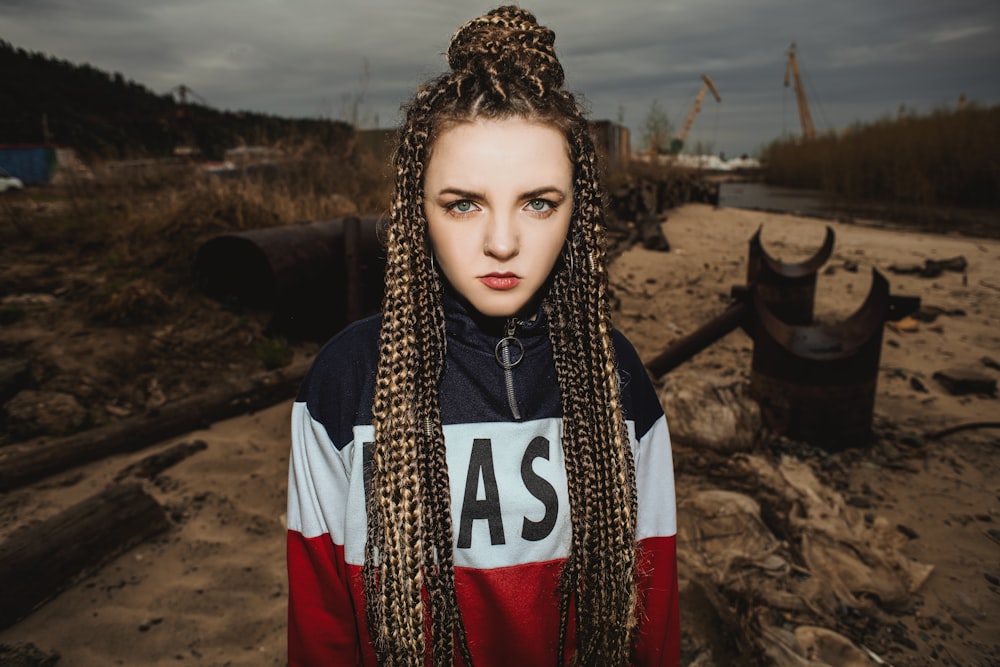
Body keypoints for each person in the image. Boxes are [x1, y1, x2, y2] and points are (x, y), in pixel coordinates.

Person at [286, 6, 679, 666]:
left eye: (538, 202)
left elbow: (655, 620)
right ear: (418, 209)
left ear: (576, 211)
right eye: (463, 202)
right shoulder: (344, 383)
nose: (502, 242)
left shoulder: (617, 381)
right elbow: (320, 629)